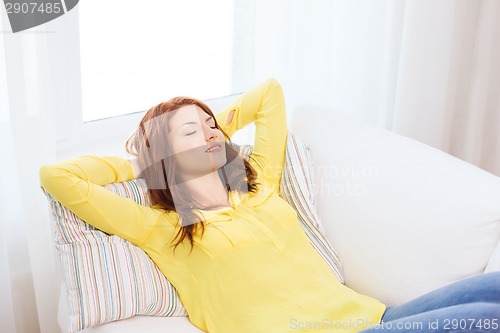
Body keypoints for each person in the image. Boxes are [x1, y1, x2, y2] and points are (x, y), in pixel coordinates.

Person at [40, 79, 500, 333]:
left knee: (493, 290)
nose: (210, 133)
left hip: (372, 317)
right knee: (483, 320)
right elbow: (57, 177)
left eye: (211, 124)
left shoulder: (259, 185)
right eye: (191, 132)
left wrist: (209, 126)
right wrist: (141, 163)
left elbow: (269, 95)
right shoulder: (162, 228)